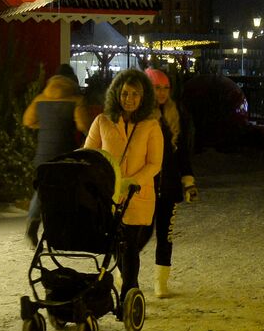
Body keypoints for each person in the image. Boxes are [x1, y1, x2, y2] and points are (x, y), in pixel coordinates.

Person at [83, 68, 163, 299]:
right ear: (117, 93)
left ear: (143, 97)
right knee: (115, 246)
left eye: (135, 94)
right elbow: (89, 153)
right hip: (108, 196)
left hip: (137, 196)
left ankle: (130, 288)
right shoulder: (102, 122)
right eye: (125, 94)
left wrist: (132, 182)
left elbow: (154, 163)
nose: (129, 99)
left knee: (128, 245)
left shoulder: (150, 126)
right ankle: (125, 284)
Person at [144, 67, 197, 297]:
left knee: (166, 235)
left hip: (170, 186)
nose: (163, 93)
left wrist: (188, 181)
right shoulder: (141, 116)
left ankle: (160, 282)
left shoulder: (177, 114)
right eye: (157, 88)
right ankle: (123, 273)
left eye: (166, 88)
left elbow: (182, 152)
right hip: (144, 187)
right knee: (140, 234)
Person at [23, 63, 89, 245]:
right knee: (66, 190)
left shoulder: (40, 99)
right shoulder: (76, 100)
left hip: (43, 154)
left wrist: (45, 126)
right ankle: (61, 230)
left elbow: (28, 121)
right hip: (65, 153)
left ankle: (33, 222)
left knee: (42, 188)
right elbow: (84, 126)